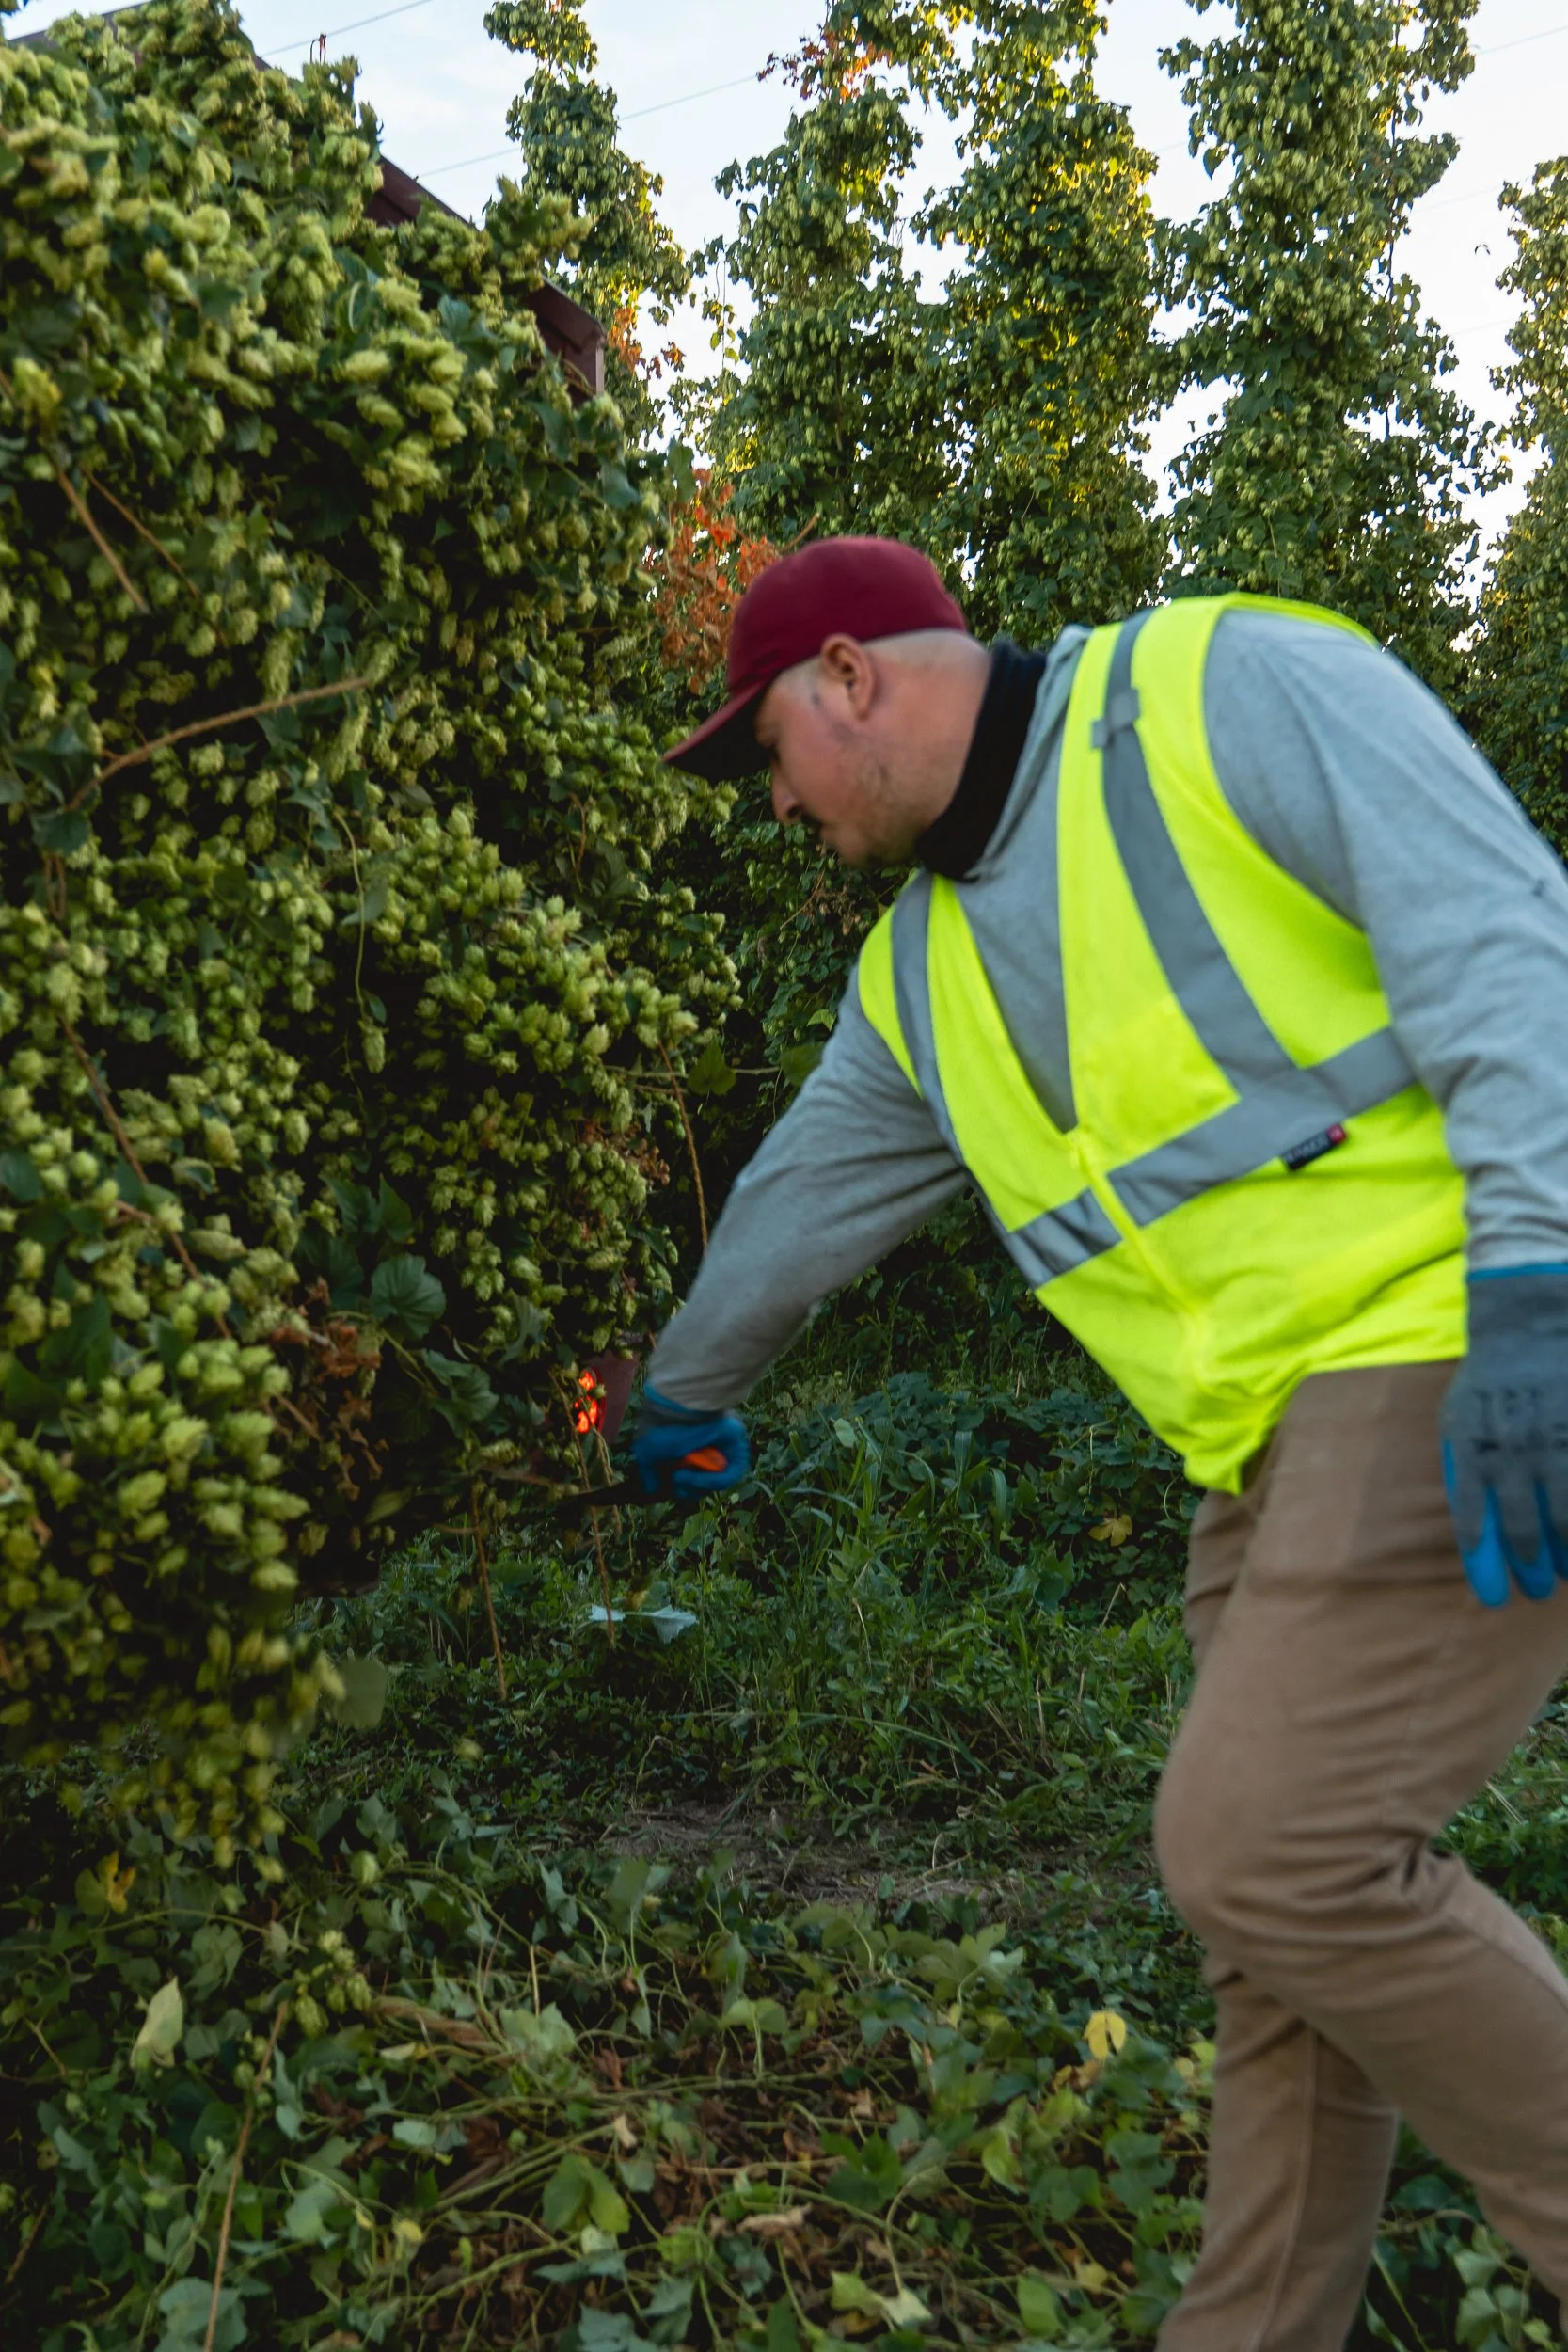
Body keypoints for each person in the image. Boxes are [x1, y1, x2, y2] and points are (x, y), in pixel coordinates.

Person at [629, 533, 1568, 2347]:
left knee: (1263, 1851)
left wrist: (1539, 1270)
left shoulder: (1218, 694)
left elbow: (1500, 937)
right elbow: (799, 1203)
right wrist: (683, 1387)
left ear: (846, 676)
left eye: (764, 752)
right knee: (1281, 1942)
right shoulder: (920, 981)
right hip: (1258, 1451)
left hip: (1457, 1346)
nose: (769, 802)